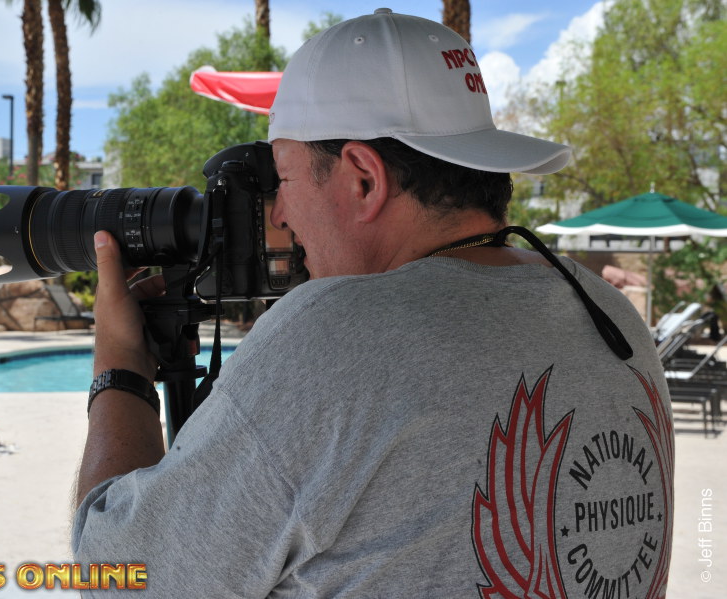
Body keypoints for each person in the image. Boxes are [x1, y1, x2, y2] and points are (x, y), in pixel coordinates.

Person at [72, 10, 674, 597]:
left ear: (363, 177)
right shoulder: (608, 312)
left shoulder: (332, 337)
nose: (280, 215)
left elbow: (119, 577)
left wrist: (120, 367)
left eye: (285, 178)